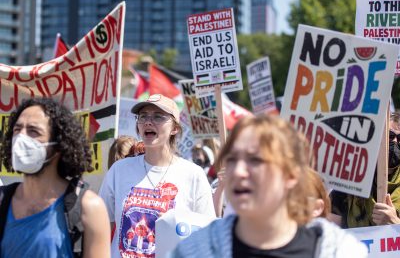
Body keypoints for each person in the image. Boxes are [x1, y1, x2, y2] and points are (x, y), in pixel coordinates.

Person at [172, 115, 367, 257]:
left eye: (255, 160)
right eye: (231, 159)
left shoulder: (340, 252)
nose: (239, 171)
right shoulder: (193, 252)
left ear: (291, 175)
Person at [99, 94, 215, 258]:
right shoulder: (119, 170)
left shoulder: (194, 175)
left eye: (158, 117)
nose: (148, 121)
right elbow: (100, 229)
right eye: (143, 116)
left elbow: (206, 237)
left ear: (174, 128)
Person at [0, 97, 110, 257]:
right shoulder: (2, 200)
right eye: (17, 130)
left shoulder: (89, 208)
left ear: (59, 145)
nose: (21, 138)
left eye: (33, 131)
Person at [330, 112, 400, 228]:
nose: (395, 142)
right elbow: (329, 234)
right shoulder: (350, 183)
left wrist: (395, 222)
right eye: (390, 136)